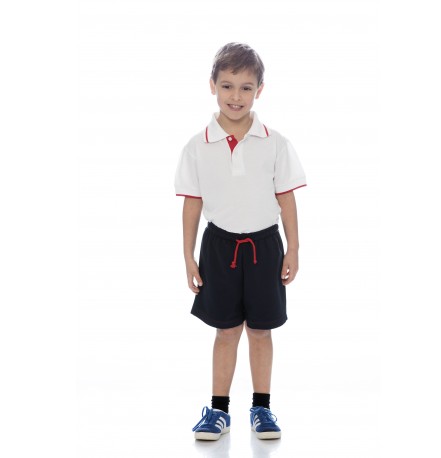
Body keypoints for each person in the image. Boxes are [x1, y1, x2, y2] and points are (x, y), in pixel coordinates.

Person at [174, 42, 306, 441]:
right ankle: (218, 411)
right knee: (226, 331)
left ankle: (262, 408)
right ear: (212, 85)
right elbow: (192, 204)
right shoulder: (197, 146)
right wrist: (188, 257)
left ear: (259, 90)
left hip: (265, 247)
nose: (236, 96)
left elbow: (286, 198)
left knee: (261, 331)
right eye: (227, 86)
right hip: (219, 248)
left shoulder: (274, 142)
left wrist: (293, 248)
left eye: (246, 87)